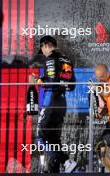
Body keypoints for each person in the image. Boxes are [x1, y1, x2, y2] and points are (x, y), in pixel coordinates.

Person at [29, 35, 76, 173]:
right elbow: (72, 85)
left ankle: (66, 161)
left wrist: (37, 81)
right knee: (54, 139)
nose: (42, 52)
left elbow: (52, 81)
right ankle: (54, 170)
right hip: (62, 102)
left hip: (51, 100)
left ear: (46, 45)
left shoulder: (50, 58)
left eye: (42, 48)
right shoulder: (66, 59)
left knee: (41, 137)